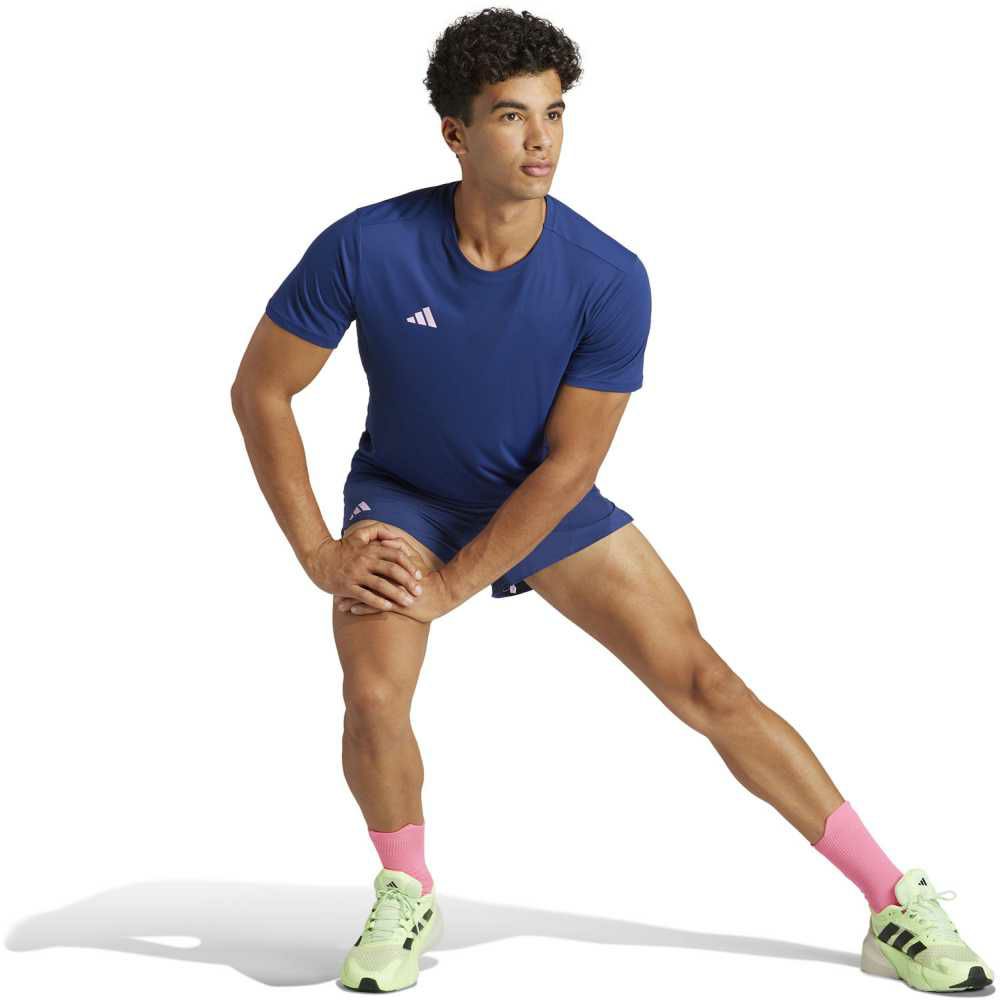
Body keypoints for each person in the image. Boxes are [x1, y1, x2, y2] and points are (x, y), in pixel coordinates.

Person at [230, 8, 993, 995]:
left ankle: (892, 900)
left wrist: (458, 583)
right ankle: (405, 888)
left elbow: (568, 466)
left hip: (537, 496)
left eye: (553, 113)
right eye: (511, 115)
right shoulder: (367, 245)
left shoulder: (607, 276)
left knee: (705, 682)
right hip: (404, 498)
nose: (540, 138)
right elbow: (262, 390)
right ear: (456, 133)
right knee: (373, 691)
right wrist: (318, 551)